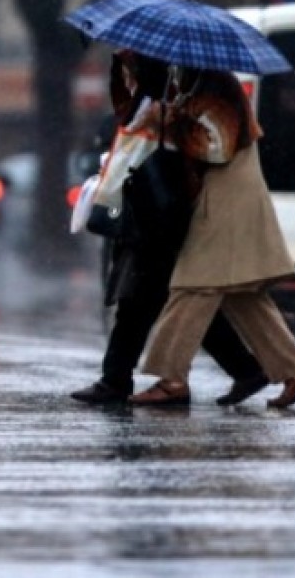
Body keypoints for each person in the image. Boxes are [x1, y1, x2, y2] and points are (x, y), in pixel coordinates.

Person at [70, 51, 269, 406]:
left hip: (155, 214)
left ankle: (118, 379)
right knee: (169, 303)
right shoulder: (149, 97)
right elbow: (122, 122)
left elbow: (191, 149)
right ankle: (243, 369)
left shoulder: (169, 100)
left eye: (130, 64)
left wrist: (167, 121)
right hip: (144, 212)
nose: (126, 70)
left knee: (142, 302)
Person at [129, 66, 295, 409]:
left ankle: (171, 378)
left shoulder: (217, 87)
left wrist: (168, 123)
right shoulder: (196, 85)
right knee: (241, 292)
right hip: (225, 194)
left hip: (228, 196)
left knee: (193, 284)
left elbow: (218, 149)